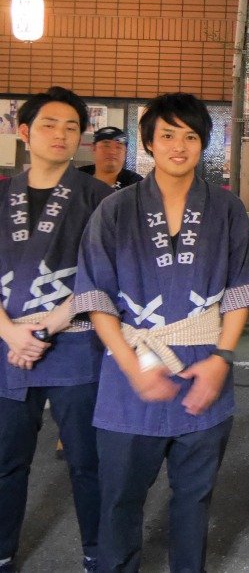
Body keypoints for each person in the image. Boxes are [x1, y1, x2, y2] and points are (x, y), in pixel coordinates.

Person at [70, 92, 249, 573]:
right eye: (167, 135)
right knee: (119, 502)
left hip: (204, 369)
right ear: (149, 143)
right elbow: (96, 299)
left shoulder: (225, 210)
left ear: (203, 144)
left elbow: (241, 292)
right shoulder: (115, 212)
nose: (179, 146)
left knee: (194, 500)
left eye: (190, 136)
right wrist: (132, 369)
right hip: (129, 376)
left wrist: (221, 360)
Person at [0, 87, 113, 573]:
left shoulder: (99, 198)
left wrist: (57, 320)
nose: (61, 135)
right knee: (6, 462)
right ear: (23, 132)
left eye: (71, 127)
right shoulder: (1, 195)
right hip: (8, 346)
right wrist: (8, 333)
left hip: (75, 342)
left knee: (88, 462)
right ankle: (3, 551)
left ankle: (97, 552)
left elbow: (109, 271)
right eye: (49, 124)